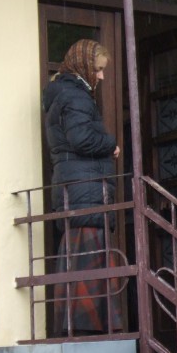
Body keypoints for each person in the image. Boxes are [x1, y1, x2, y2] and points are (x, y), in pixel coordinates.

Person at [42, 38, 123, 336]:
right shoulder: (75, 96)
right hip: (84, 189)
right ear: (84, 66)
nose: (101, 76)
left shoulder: (64, 93)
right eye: (98, 69)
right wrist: (111, 143)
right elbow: (82, 139)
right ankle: (89, 331)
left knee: (79, 265)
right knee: (89, 263)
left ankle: (79, 328)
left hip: (76, 189)